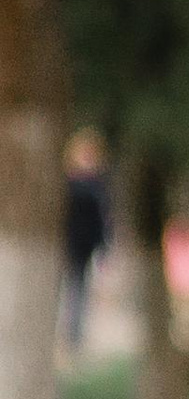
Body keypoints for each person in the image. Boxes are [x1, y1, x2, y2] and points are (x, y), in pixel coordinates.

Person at [61, 132, 112, 348]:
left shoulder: (98, 184)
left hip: (84, 244)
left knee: (78, 287)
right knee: (68, 287)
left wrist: (103, 244)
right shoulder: (67, 182)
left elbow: (101, 217)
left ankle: (74, 336)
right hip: (65, 242)